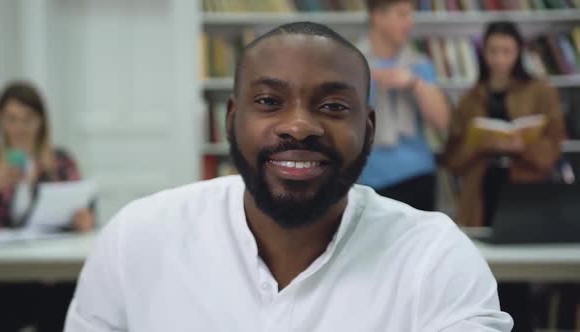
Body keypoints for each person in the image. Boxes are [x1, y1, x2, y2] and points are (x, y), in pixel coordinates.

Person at [65, 22, 512, 331]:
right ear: (231, 121)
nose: (298, 126)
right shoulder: (137, 241)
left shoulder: (434, 257)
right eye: (268, 101)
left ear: (368, 128)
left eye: (334, 106)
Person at [442, 22, 565, 332]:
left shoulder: (539, 91)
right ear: (485, 54)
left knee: (523, 277)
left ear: (518, 52)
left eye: (506, 51)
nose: (499, 59)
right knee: (485, 274)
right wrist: (480, 144)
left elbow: (553, 146)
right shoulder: (472, 96)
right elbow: (452, 158)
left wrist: (521, 145)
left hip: (526, 191)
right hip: (482, 191)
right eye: (494, 51)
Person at [0, 81, 95, 332]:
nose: (19, 128)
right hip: (2, 273)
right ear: (0, 121)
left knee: (68, 299)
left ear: (41, 122)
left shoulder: (60, 161)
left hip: (51, 271)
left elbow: (82, 210)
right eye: (11, 119)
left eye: (28, 119)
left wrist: (83, 220)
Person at [357, 0, 451, 211]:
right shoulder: (351, 65)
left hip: (417, 176)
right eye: (402, 15)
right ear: (378, 17)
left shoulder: (419, 64)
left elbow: (443, 122)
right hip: (366, 181)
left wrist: (414, 83)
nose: (410, 22)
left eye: (411, 15)